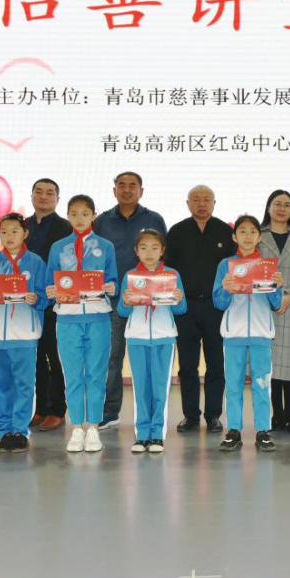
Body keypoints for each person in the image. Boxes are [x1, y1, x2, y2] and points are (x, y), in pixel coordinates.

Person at [93, 171, 167, 431]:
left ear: (141, 191)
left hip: (148, 300)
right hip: (114, 300)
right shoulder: (102, 221)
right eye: (121, 185)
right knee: (112, 356)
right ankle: (110, 411)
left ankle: (153, 416)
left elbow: (163, 257)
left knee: (148, 360)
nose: (126, 190)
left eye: (132, 186)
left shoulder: (154, 219)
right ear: (114, 190)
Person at [46, 195, 119, 453]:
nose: (79, 219)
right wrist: (51, 291)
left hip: (98, 317)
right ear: (67, 216)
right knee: (73, 375)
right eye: (74, 214)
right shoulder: (58, 247)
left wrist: (111, 287)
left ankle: (94, 427)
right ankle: (77, 426)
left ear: (93, 216)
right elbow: (49, 283)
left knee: (97, 374)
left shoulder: (106, 246)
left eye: (85, 214)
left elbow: (113, 279)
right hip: (67, 318)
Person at [0, 212, 47, 453]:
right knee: (0, 384)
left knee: (24, 384)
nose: (9, 236)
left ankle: (20, 431)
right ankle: (4, 431)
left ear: (25, 233)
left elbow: (45, 296)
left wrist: (36, 298)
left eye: (14, 231)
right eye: (4, 232)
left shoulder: (35, 262)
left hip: (24, 335)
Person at [164, 185, 234, 433]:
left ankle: (213, 415)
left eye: (206, 199)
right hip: (186, 308)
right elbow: (168, 270)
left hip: (216, 308)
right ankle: (190, 416)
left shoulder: (226, 231)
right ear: (188, 203)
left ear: (214, 203)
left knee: (216, 364)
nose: (201, 204)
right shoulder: (176, 231)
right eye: (196, 199)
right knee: (187, 365)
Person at [213, 215, 286, 452]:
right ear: (234, 237)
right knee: (233, 384)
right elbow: (218, 302)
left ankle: (263, 431)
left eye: (252, 232)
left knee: (262, 384)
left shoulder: (267, 265)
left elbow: (276, 303)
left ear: (259, 237)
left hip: (261, 333)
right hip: (233, 334)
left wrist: (276, 286)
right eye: (242, 231)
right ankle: (233, 430)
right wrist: (226, 289)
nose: (247, 236)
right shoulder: (225, 265)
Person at [116, 229, 187, 454]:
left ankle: (157, 434)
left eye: (154, 248)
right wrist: (126, 302)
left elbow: (182, 309)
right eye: (144, 248)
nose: (149, 253)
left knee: (159, 387)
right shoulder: (130, 277)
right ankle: (142, 435)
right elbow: (121, 311)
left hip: (164, 337)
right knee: (141, 388)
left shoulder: (172, 275)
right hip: (136, 338)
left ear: (162, 250)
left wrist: (178, 299)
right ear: (136, 251)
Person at [258, 190, 290, 434]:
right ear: (268, 207)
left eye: (287, 205)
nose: (282, 209)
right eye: (277, 204)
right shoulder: (258, 235)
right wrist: (273, 297)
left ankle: (289, 416)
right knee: (271, 365)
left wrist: (289, 296)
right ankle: (275, 415)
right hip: (265, 306)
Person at [25, 178, 72, 432]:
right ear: (32, 195)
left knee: (55, 357)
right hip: (28, 302)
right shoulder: (21, 226)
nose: (43, 196)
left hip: (55, 302)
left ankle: (57, 410)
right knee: (36, 359)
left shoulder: (65, 228)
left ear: (57, 199)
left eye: (50, 193)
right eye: (39, 192)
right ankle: (41, 408)